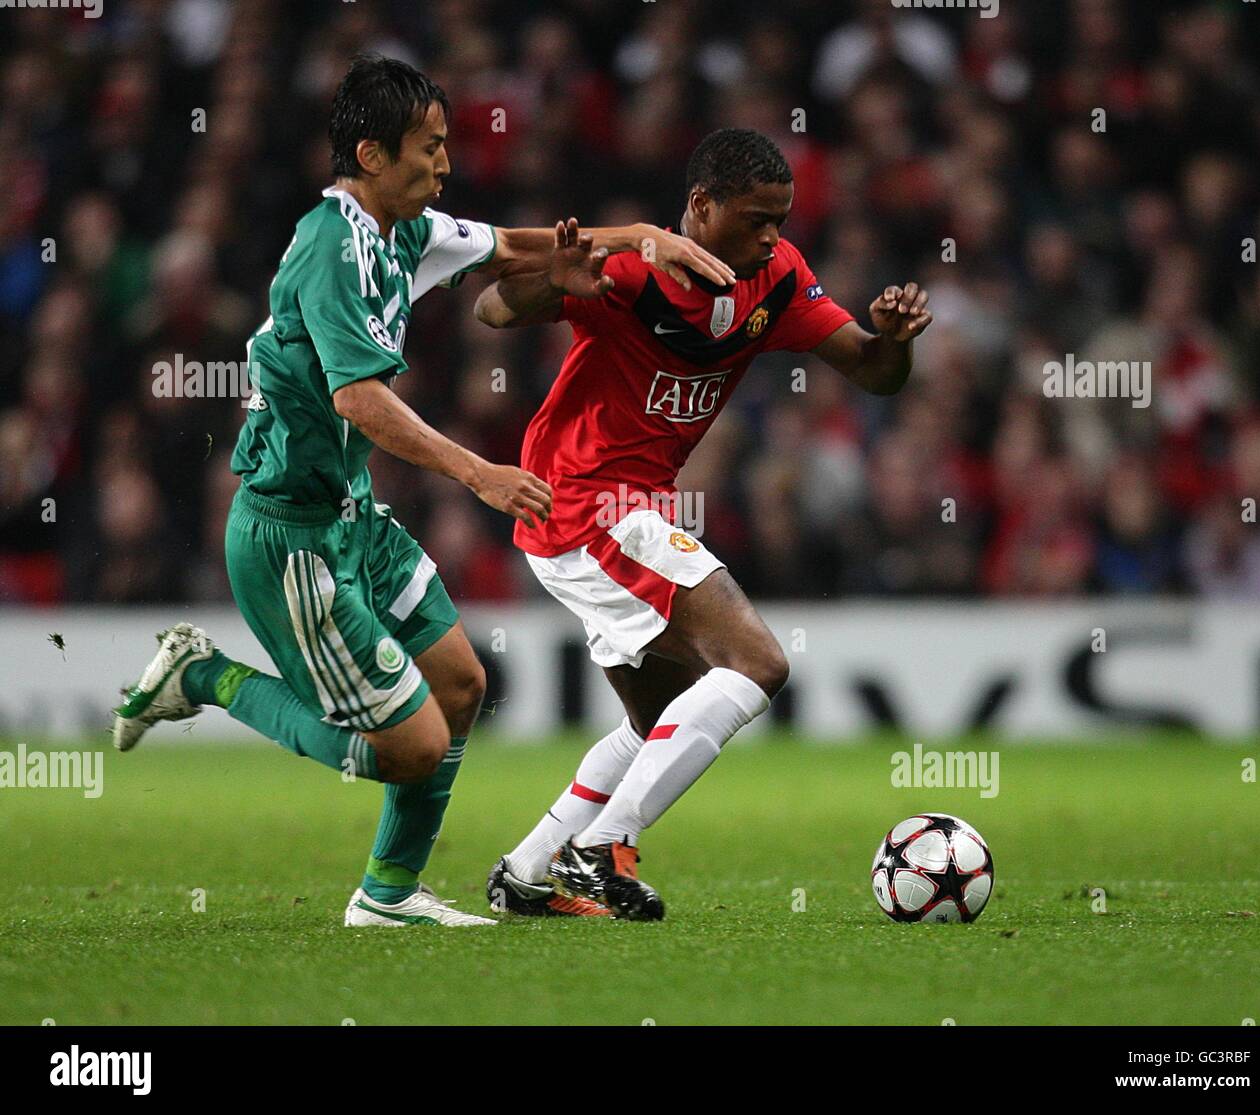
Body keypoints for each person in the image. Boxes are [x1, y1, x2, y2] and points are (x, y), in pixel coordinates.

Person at [110, 55, 732, 928]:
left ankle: (388, 896)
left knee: (461, 684)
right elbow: (358, 398)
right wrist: (478, 471)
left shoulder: (402, 229)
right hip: (291, 538)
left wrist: (636, 238)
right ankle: (204, 675)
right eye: (430, 148)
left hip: (353, 516)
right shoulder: (331, 247)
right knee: (412, 748)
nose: (446, 164)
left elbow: (516, 250)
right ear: (371, 153)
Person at [476, 127, 933, 920]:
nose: (771, 237)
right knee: (758, 662)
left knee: (658, 718)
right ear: (700, 206)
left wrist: (892, 342)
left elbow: (871, 370)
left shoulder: (778, 277)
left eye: (780, 220)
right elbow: (491, 306)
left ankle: (525, 872)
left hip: (618, 508)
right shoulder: (632, 270)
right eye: (755, 219)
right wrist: (544, 284)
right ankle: (602, 847)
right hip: (588, 499)